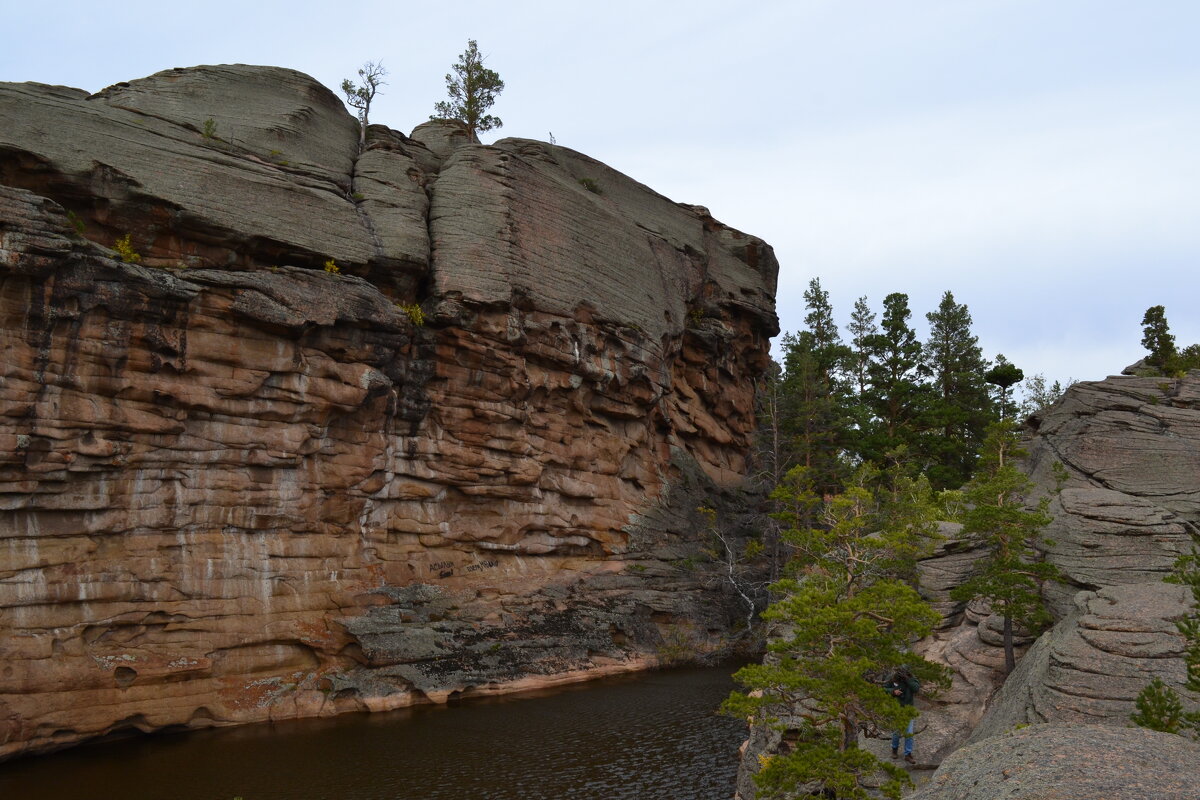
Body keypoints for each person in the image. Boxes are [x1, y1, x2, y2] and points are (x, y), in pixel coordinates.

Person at [886, 665, 920, 764]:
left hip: (908, 709)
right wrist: (893, 691)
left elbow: (916, 688)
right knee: (896, 732)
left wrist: (907, 679)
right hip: (896, 709)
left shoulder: (911, 679)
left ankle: (908, 754)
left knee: (909, 732)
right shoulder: (891, 678)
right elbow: (883, 689)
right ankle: (894, 749)